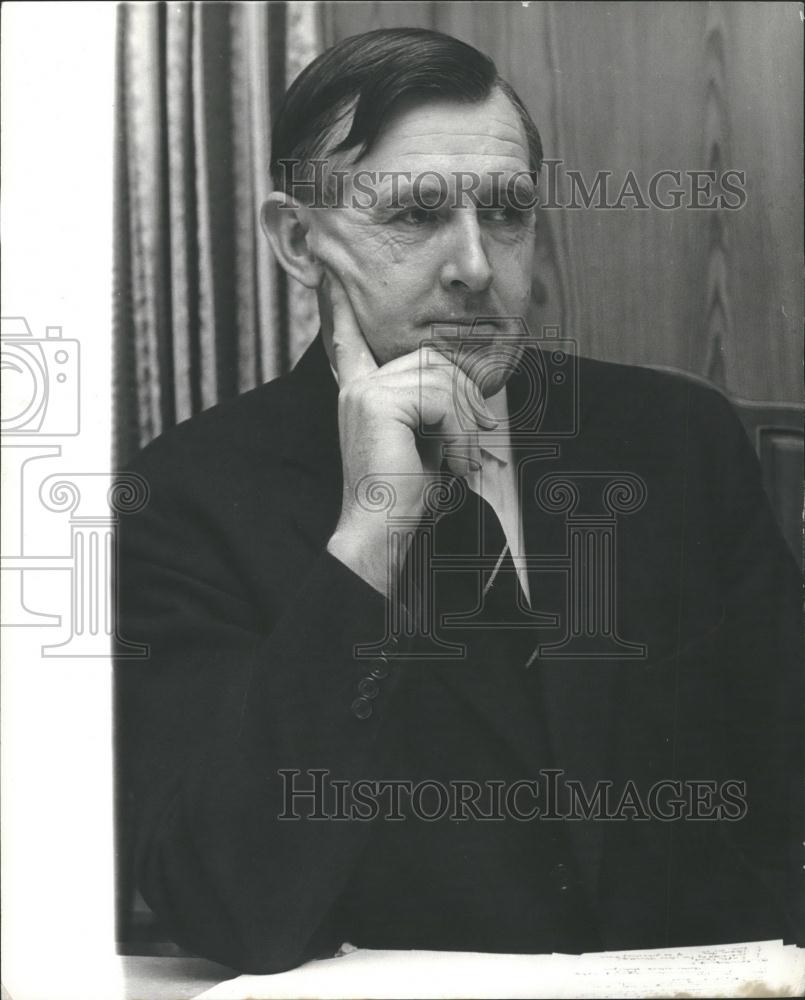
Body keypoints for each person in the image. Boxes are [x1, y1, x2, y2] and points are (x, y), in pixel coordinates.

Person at [116, 28, 802, 974]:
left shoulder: (676, 439)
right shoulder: (187, 496)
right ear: (296, 240)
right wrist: (369, 537)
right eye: (415, 215)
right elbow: (222, 906)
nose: (476, 266)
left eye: (507, 212)